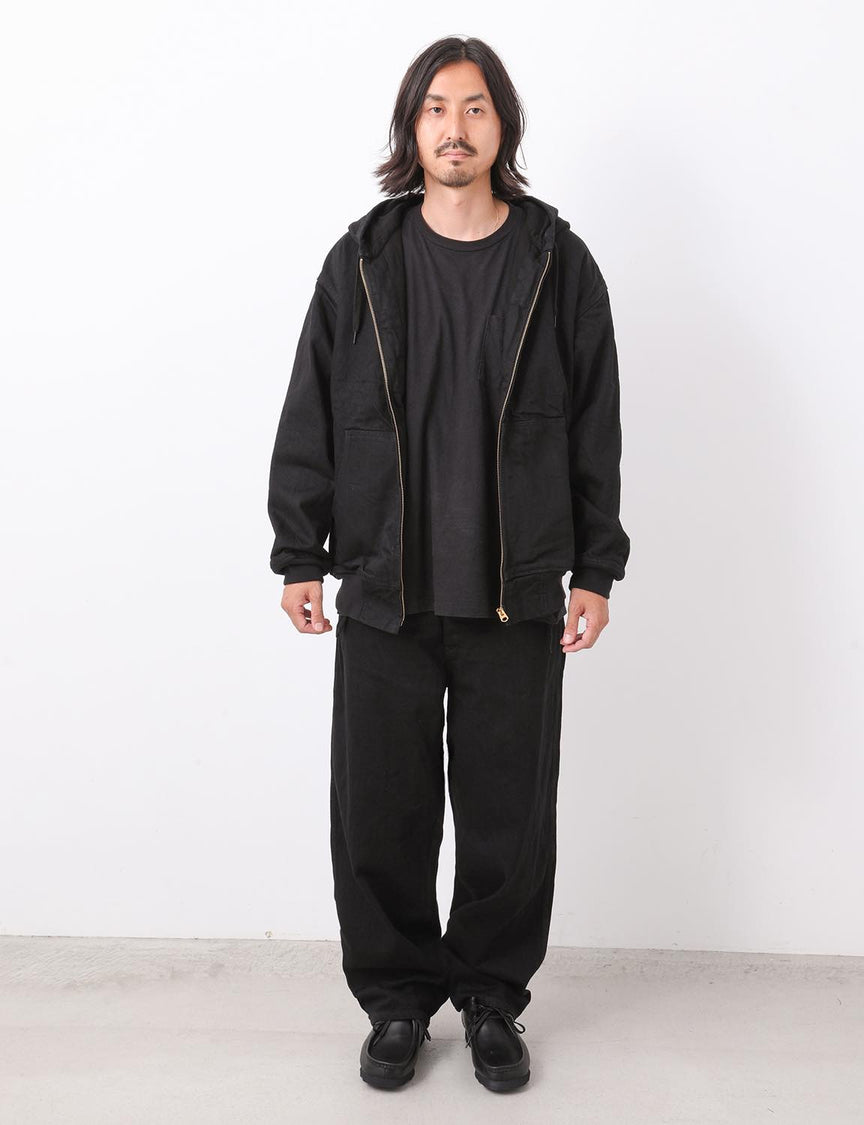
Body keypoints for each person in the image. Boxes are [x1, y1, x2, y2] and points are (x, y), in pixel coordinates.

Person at [267, 35, 630, 1093]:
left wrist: (595, 569)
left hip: (516, 592)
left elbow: (596, 424)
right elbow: (311, 409)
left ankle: (489, 999)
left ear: (501, 125)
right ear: (411, 127)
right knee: (378, 810)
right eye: (435, 108)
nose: (455, 128)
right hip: (385, 586)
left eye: (474, 108)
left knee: (508, 815)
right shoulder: (362, 261)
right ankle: (395, 1002)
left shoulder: (558, 263)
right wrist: (299, 550)